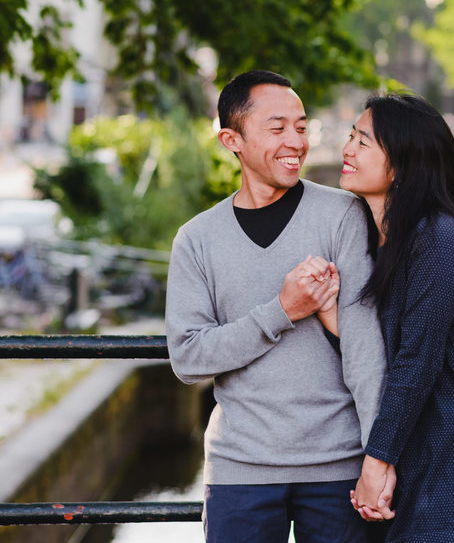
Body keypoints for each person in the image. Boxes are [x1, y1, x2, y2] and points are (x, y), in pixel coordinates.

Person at [165, 70, 386, 543]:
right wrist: (282, 310)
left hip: (337, 469)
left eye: (302, 127)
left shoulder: (344, 215)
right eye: (277, 127)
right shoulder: (197, 240)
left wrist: (378, 455)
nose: (296, 141)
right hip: (239, 469)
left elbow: (367, 345)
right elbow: (187, 358)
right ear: (232, 139)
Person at [329, 93, 454, 542]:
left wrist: (376, 460)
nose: (347, 150)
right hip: (430, 441)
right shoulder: (390, 240)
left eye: (363, 142)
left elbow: (416, 362)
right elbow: (387, 345)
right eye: (351, 137)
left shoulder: (438, 239)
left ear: (403, 162)